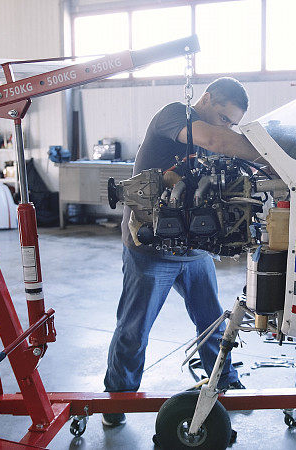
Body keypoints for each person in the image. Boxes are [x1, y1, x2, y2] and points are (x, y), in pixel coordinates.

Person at [102, 77, 262, 426]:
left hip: (195, 250)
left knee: (212, 323)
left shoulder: (215, 134)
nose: (226, 128)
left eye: (233, 123)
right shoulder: (173, 115)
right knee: (134, 330)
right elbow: (216, 138)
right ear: (205, 99)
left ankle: (225, 383)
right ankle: (116, 400)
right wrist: (276, 156)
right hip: (151, 250)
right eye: (223, 117)